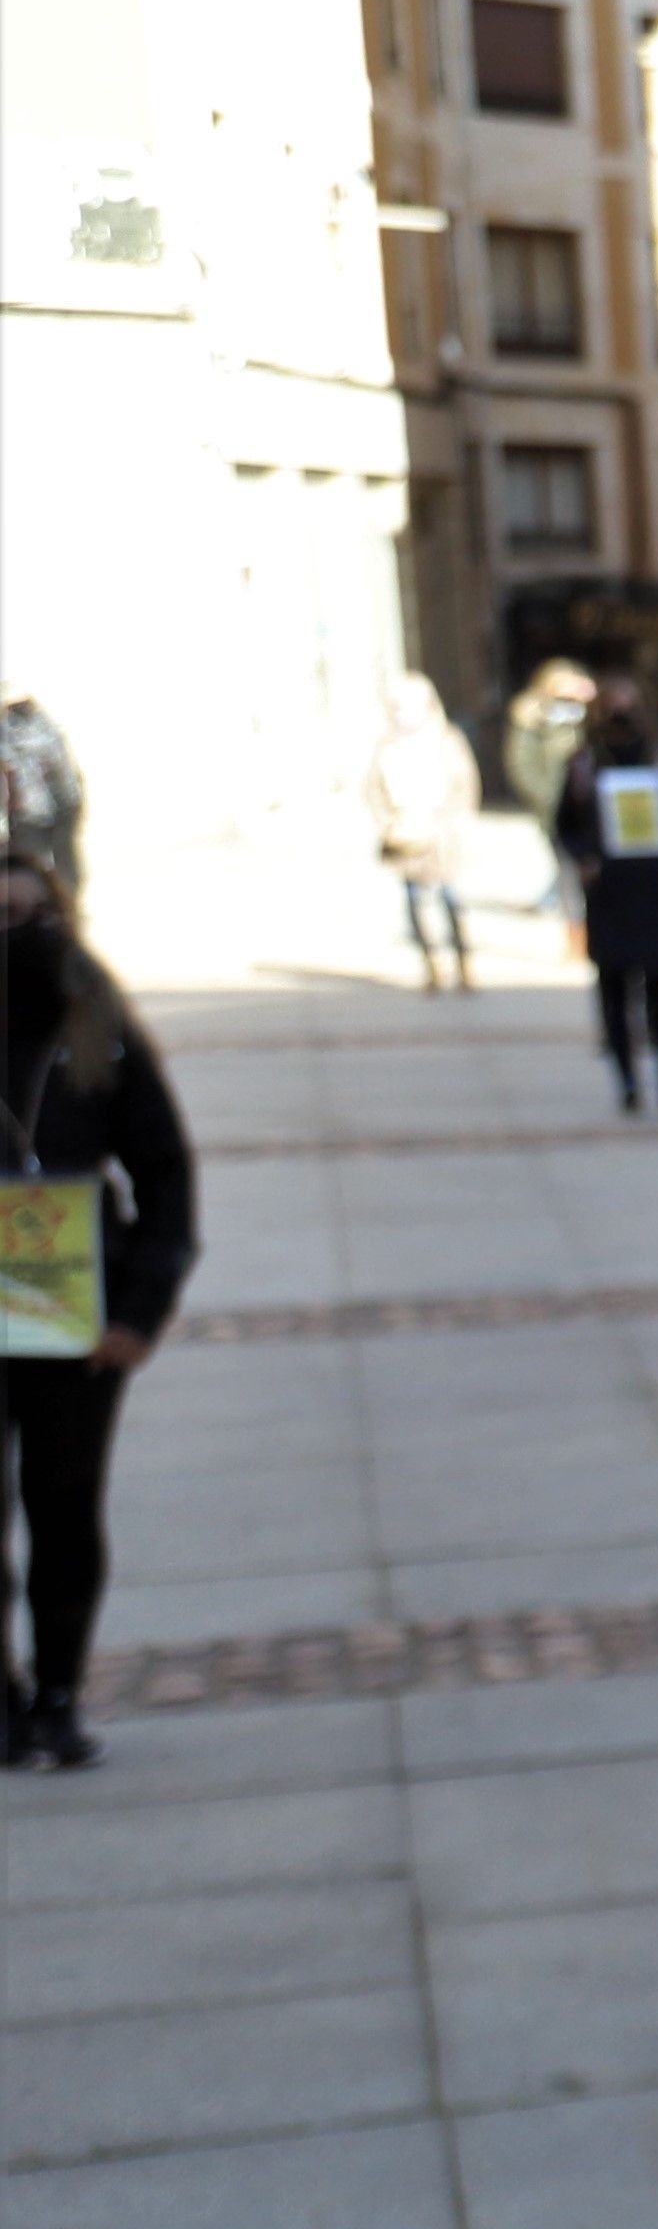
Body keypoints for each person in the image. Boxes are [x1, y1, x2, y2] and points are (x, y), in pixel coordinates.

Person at [0, 852, 193, 1770]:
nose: (16, 935)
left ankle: (60, 1694)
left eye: (30, 917)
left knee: (64, 1507)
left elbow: (165, 1174)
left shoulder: (97, 1029)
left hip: (75, 1314)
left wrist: (141, 1312)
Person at [552, 687, 658, 1116]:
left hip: (656, 890)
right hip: (609, 894)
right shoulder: (584, 766)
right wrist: (584, 858)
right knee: (615, 992)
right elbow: (563, 825)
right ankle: (628, 1083)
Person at [371, 672, 483, 994]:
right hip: (404, 833)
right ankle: (432, 964)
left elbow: (465, 786)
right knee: (414, 902)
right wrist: (388, 821)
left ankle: (463, 959)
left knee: (450, 899)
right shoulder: (388, 746)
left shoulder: (446, 740)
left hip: (441, 834)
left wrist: (455, 823)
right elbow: (374, 790)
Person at [0, 690, 76, 898]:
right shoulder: (8, 733)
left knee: (64, 865)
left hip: (59, 806)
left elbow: (62, 765)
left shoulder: (44, 724)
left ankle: (66, 902)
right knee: (32, 866)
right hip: (27, 814)